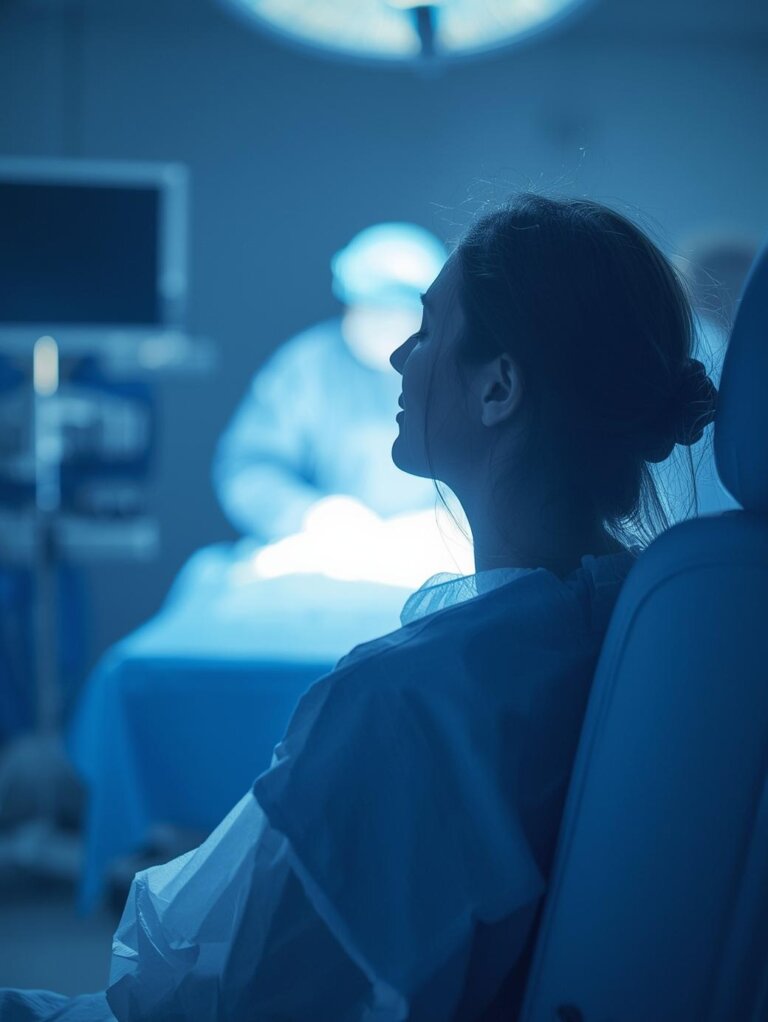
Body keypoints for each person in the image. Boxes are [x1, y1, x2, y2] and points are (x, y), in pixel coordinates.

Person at [0, 194, 717, 1021]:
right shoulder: (652, 621)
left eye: (426, 326)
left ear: (499, 389)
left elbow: (199, 995)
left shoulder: (403, 698)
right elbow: (251, 468)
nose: (397, 356)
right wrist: (313, 520)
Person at [213, 222, 447, 545]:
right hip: (328, 550)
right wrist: (309, 514)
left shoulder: (451, 368)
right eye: (374, 307)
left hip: (433, 548)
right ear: (349, 302)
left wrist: (455, 522)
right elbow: (247, 469)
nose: (387, 323)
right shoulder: (307, 367)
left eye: (402, 310)